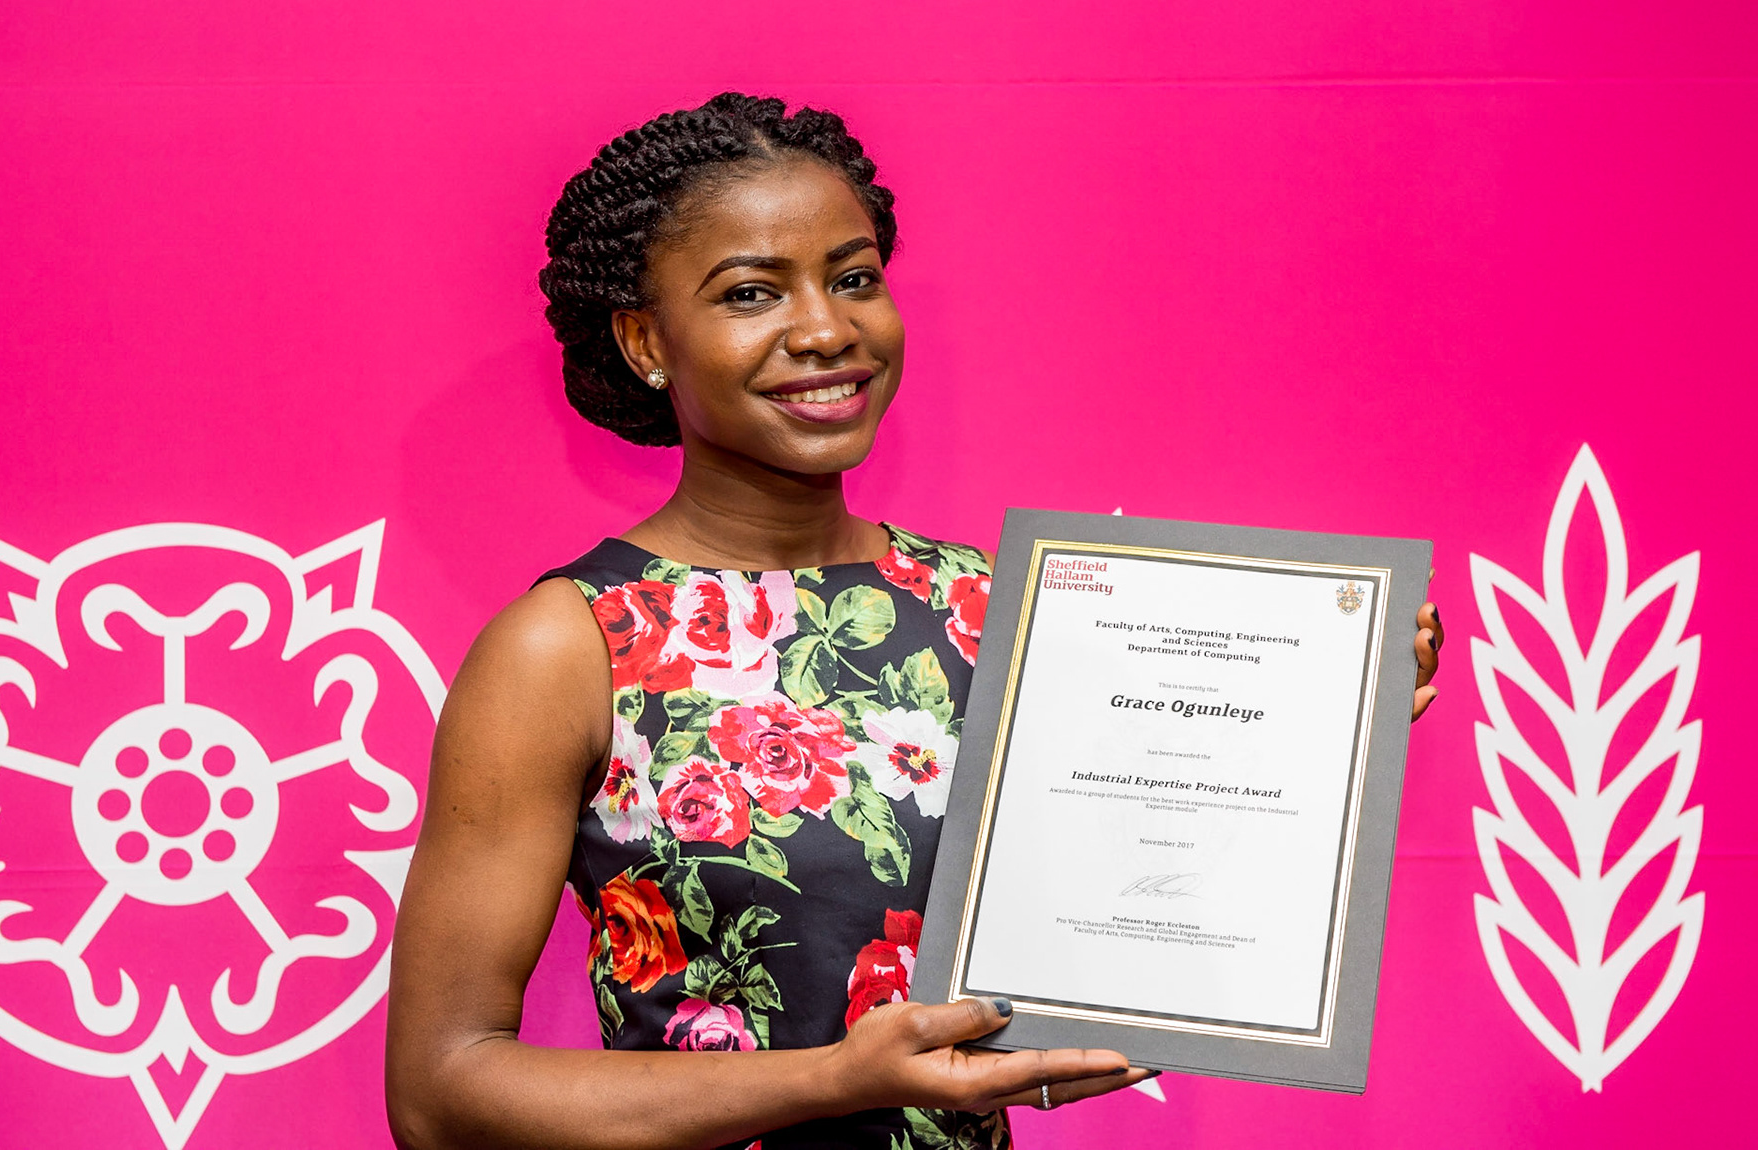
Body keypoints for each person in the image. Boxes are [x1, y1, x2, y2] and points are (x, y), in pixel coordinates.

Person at [384, 94, 1444, 1150]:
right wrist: (832, 1081)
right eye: (753, 292)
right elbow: (443, 1092)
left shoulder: (998, 611)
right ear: (645, 342)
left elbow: (1137, 894)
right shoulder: (568, 645)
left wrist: (1313, 737)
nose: (826, 329)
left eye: (853, 278)